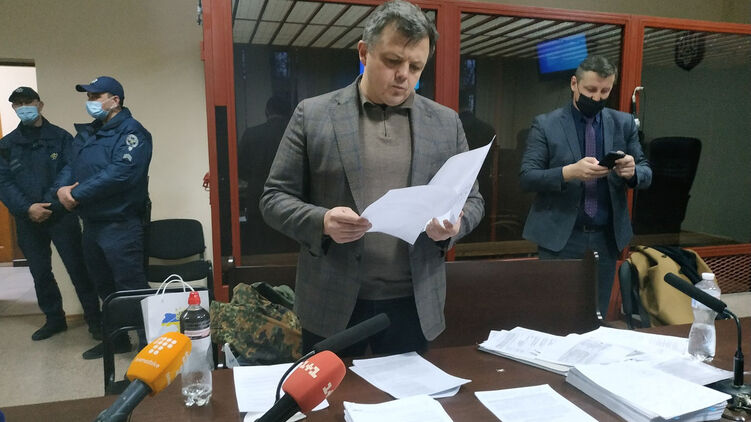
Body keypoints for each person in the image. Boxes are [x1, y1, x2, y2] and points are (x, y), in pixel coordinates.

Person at [260, 0, 484, 357]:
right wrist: (322, 221)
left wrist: (455, 225)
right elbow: (273, 198)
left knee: (403, 395)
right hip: (332, 300)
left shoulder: (445, 123)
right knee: (330, 393)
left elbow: (473, 200)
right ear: (364, 52)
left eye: (416, 66)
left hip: (412, 302)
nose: (404, 75)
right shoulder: (314, 115)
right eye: (393, 61)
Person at [519, 55, 652, 318]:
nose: (597, 97)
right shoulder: (546, 124)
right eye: (591, 89)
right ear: (574, 84)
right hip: (560, 236)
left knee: (596, 315)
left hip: (606, 237)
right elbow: (527, 177)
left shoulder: (623, 123)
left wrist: (633, 171)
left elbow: (646, 171)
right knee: (553, 315)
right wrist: (569, 172)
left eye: (605, 91)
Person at [54, 76, 152, 359]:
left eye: (96, 96)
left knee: (131, 287)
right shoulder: (89, 133)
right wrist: (60, 191)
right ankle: (117, 340)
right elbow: (71, 166)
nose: (91, 102)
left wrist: (77, 194)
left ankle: (148, 346)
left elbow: (121, 173)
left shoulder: (132, 132)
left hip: (121, 224)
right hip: (92, 223)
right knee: (104, 287)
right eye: (88, 97)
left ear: (115, 100)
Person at [0, 87, 102, 341]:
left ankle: (95, 321)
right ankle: (54, 320)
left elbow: (70, 170)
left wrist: (48, 204)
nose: (24, 107)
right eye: (18, 103)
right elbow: (4, 182)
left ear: (40, 104)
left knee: (78, 269)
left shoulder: (61, 137)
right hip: (27, 218)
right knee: (40, 272)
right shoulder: (7, 145)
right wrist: (27, 208)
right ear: (13, 108)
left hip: (61, 215)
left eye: (28, 101)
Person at [238, 96, 297, 255]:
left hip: (257, 196)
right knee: (288, 248)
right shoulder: (296, 133)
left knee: (259, 246)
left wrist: (255, 178)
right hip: (291, 198)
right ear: (290, 112)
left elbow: (240, 168)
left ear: (267, 111)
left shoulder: (252, 134)